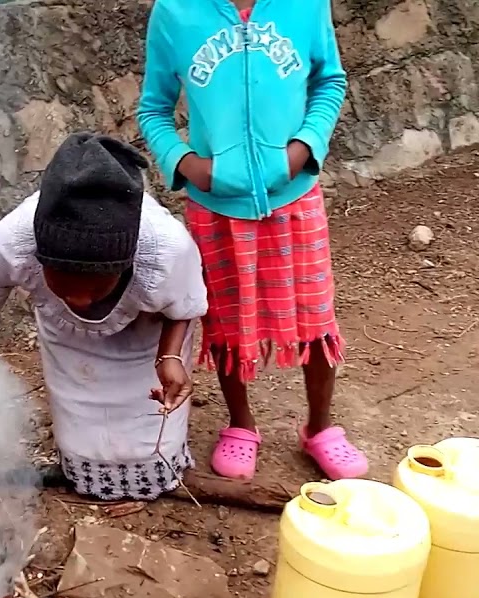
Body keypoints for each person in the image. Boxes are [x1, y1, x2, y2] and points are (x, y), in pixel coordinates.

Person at [0, 131, 208, 501]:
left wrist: (169, 357)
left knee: (149, 439)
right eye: (64, 286)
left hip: (145, 344)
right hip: (70, 348)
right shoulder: (12, 242)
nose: (80, 300)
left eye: (95, 287)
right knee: (82, 438)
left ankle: (154, 476)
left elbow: (184, 307)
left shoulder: (167, 248)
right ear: (39, 257)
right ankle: (81, 473)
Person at [136, 0, 368, 481]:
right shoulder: (175, 12)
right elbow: (153, 108)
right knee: (226, 321)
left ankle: (320, 428)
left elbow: (330, 81)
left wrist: (303, 150)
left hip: (294, 196)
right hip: (216, 207)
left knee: (315, 316)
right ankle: (241, 425)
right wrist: (188, 165)